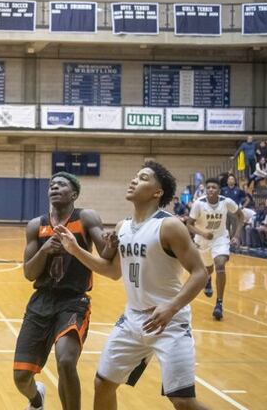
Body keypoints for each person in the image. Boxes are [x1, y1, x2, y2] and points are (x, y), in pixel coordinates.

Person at [55, 161, 209, 410]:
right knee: (102, 384)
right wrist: (74, 249)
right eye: (135, 176)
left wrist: (171, 307)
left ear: (157, 192)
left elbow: (200, 273)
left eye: (144, 178)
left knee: (182, 402)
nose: (134, 180)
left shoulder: (169, 226)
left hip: (170, 322)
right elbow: (112, 271)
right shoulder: (122, 227)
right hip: (132, 320)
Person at [13, 172, 114, 410]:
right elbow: (29, 273)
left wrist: (111, 244)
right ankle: (36, 398)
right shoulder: (36, 226)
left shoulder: (86, 218)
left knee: (66, 361)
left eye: (62, 184)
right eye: (52, 185)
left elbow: (106, 255)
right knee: (21, 378)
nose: (55, 187)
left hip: (73, 301)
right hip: (41, 301)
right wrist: (45, 250)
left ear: (74, 194)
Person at [185, 178, 243, 320]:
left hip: (220, 238)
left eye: (214, 187)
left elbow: (240, 216)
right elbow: (189, 224)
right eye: (209, 187)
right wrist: (203, 233)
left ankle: (219, 304)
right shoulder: (199, 204)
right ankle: (208, 279)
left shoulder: (226, 202)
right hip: (202, 240)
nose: (211, 189)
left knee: (220, 264)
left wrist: (236, 235)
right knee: (208, 270)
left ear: (219, 190)